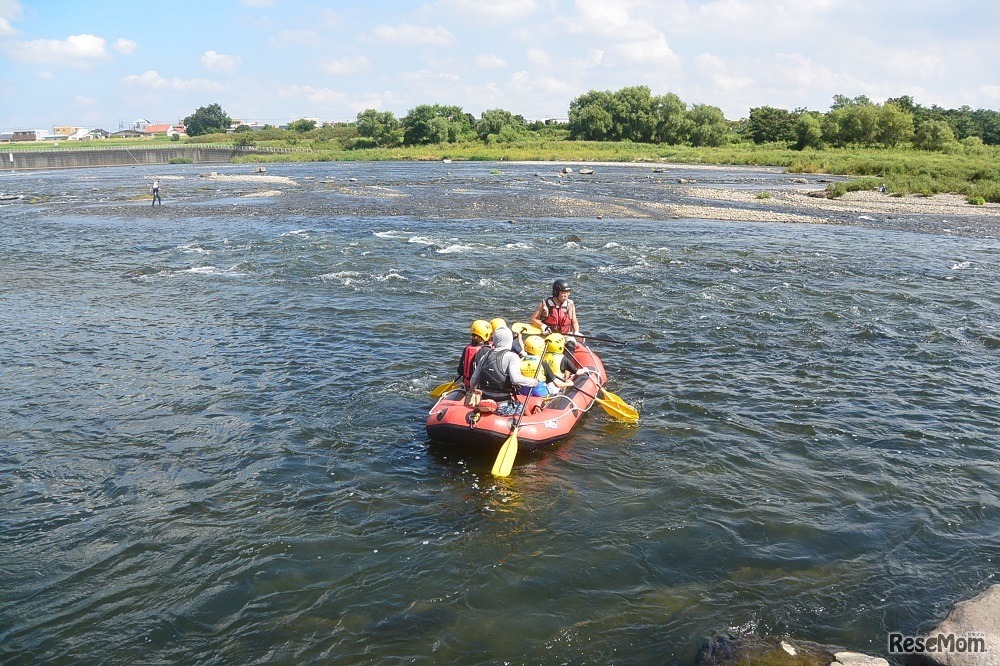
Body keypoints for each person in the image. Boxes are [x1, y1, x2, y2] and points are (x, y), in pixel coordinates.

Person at [469, 327, 540, 414]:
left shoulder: (485, 356)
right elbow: (516, 379)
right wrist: (533, 382)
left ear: (495, 340)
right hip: (502, 405)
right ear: (510, 340)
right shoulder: (512, 356)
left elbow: (473, 381)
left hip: (484, 400)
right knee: (525, 408)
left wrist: (473, 389)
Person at [457, 320, 492, 389]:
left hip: (466, 386)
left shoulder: (467, 348)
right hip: (479, 388)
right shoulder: (487, 351)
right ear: (486, 334)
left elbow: (459, 370)